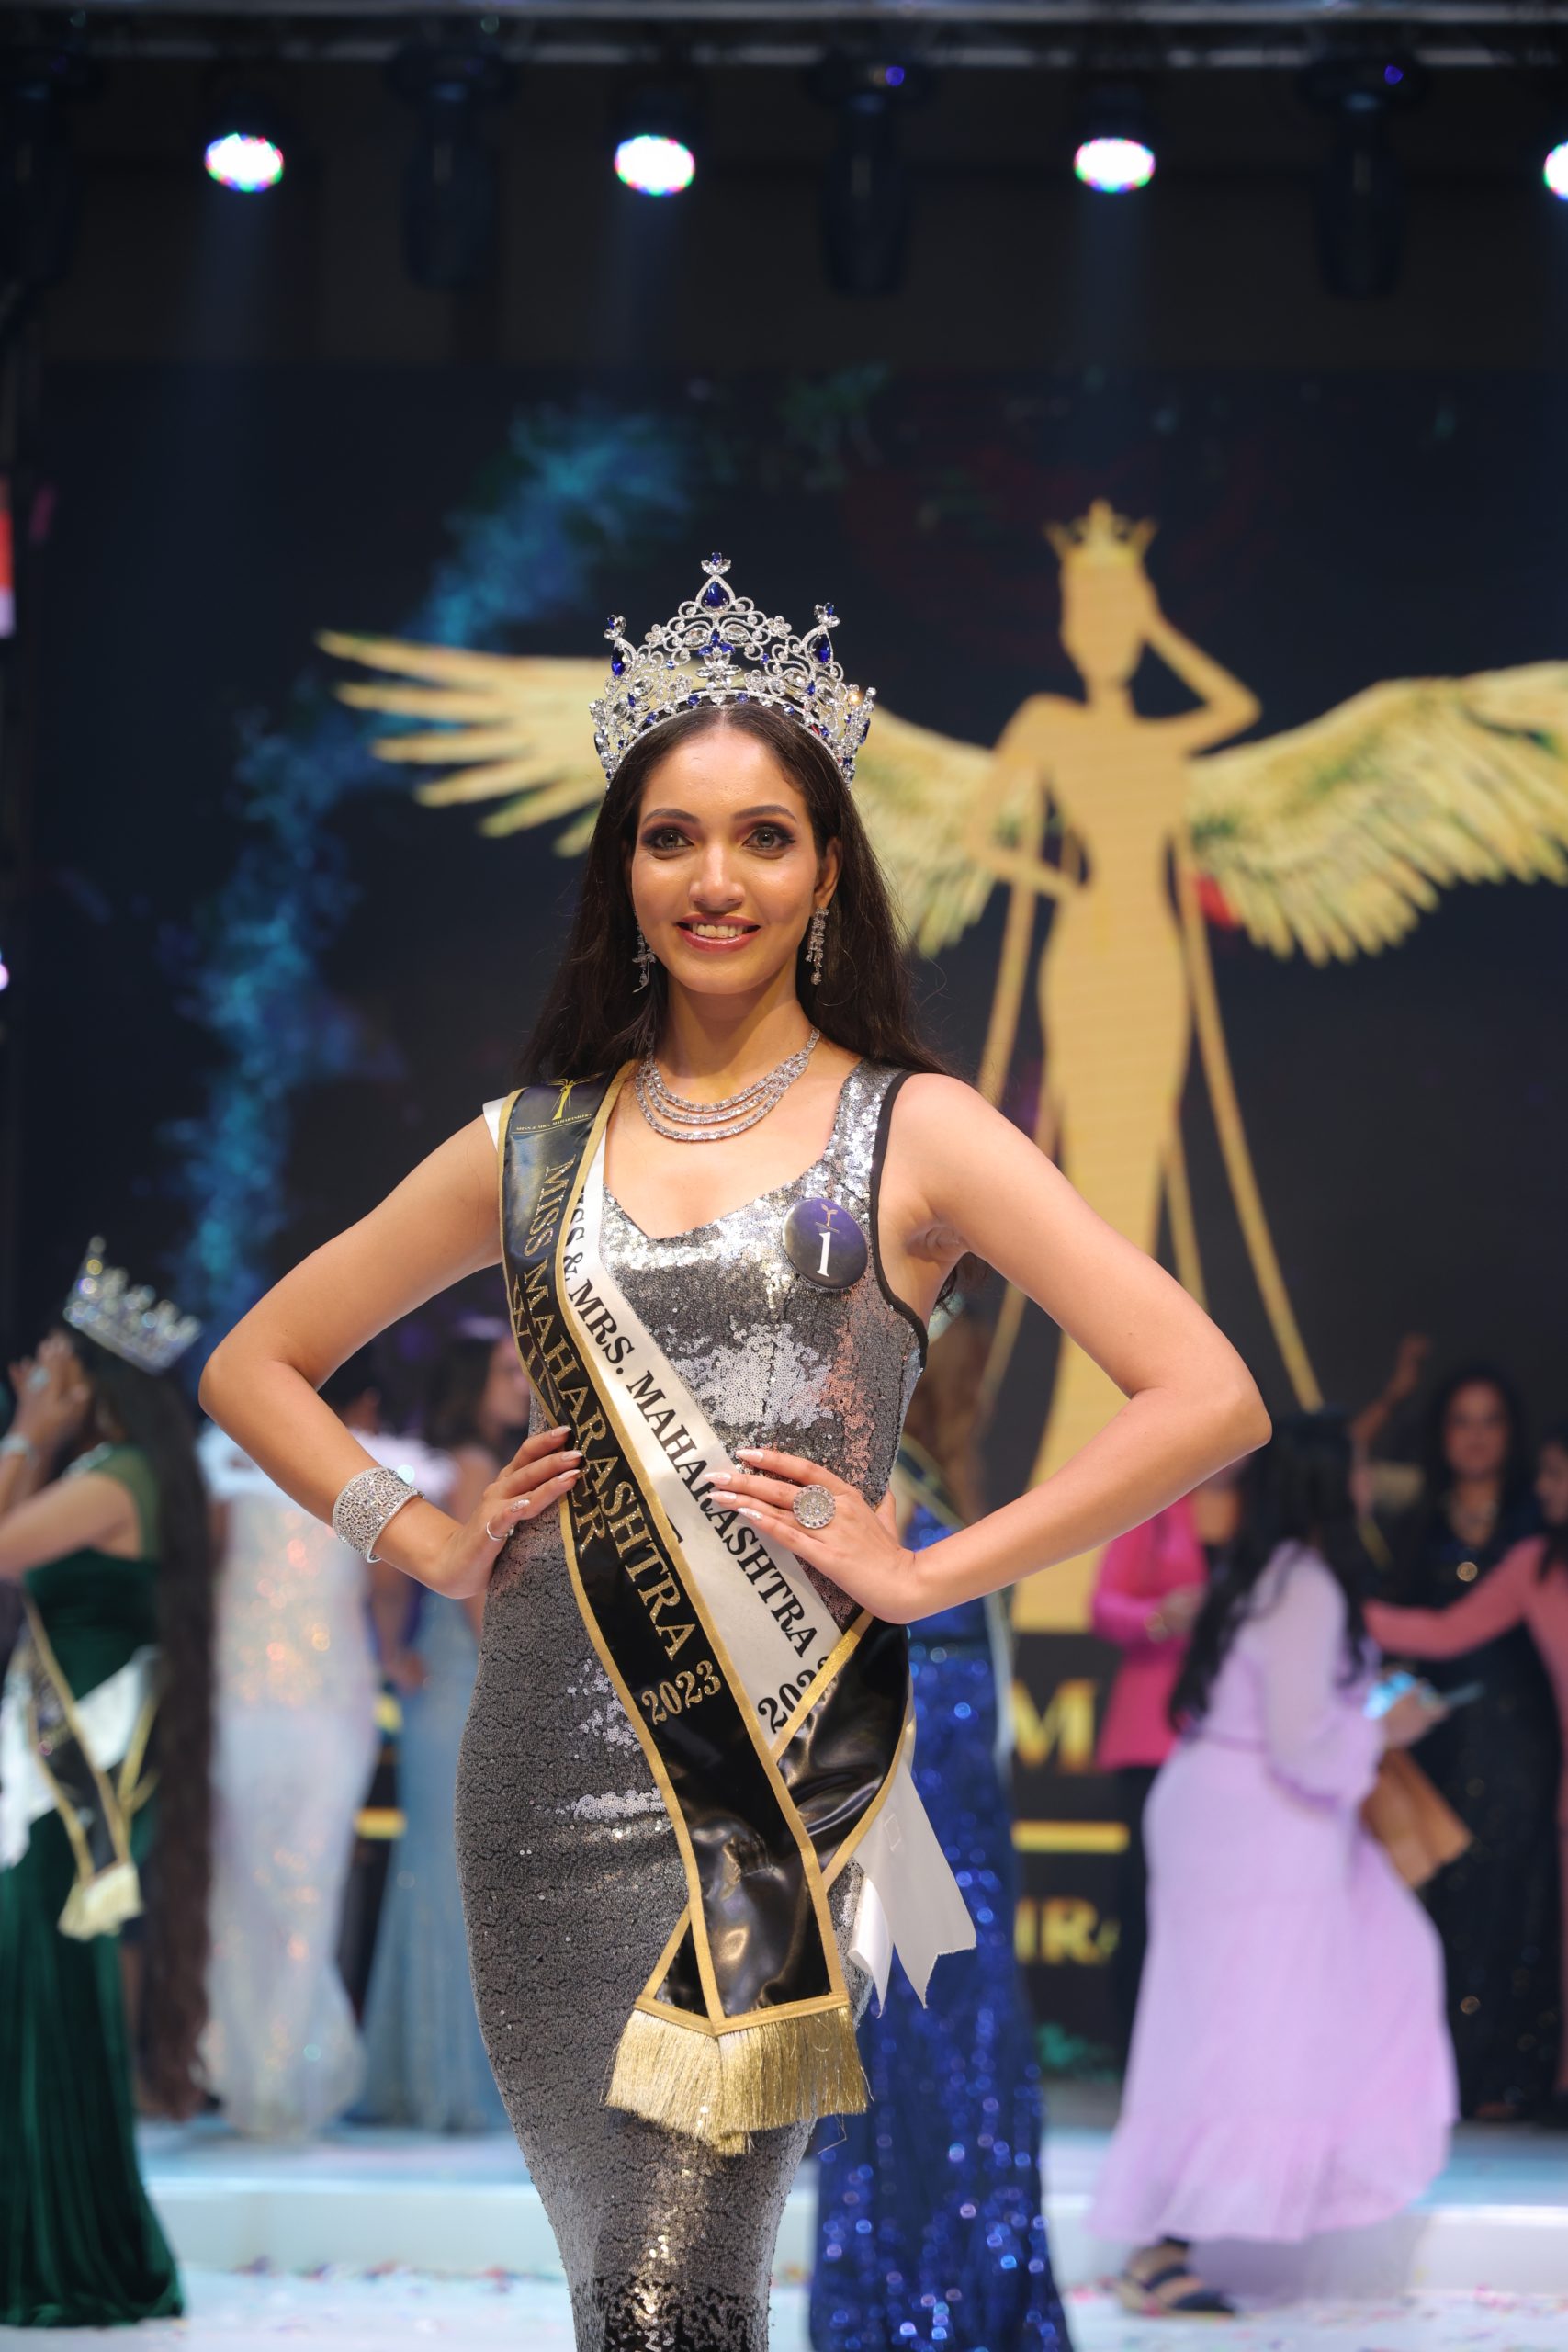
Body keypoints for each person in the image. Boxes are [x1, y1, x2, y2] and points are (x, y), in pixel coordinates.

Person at [199, 554, 1267, 2352]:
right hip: (538, 1774)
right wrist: (427, 1540)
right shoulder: (528, 1142)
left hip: (772, 1775)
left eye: (763, 837)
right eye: (672, 838)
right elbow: (255, 1363)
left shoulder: (915, 1127)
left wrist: (929, 1572)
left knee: (672, 2289)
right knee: (619, 2292)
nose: (716, 878)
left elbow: (1205, 1390)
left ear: (825, 868)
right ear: (622, 870)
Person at [1092, 1410, 1455, 2318]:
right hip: (1259, 1829)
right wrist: (1383, 1726)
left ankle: (1177, 2237)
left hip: (1235, 1818)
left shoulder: (1271, 1572)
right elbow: (1301, 1743)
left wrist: (1363, 1720)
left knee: (1227, 2022)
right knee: (1235, 2029)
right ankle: (1165, 2246)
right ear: (1329, 1479)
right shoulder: (1305, 1584)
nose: (1370, 1478)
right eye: (1360, 1463)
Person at [811, 1311, 1071, 2352]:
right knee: (923, 2047)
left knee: (965, 2053)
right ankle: (911, 2308)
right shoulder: (888, 1486)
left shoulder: (941, 1485)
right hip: (914, 1819)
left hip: (961, 1819)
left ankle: (958, 2302)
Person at [0, 1250, 212, 2326]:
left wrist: (27, 1435)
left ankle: (63, 2248)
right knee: (39, 1992)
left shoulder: (113, 1479)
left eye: (50, 1366)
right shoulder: (127, 1472)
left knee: (43, 1991)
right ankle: (56, 2236)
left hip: (73, 1774)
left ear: (87, 1378)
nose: (32, 1375)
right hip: (59, 1758)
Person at [198, 1346, 431, 2138]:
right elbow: (388, 1588)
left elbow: (208, 1569)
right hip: (307, 1694)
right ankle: (276, 2074)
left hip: (266, 1691)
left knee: (253, 1875)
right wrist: (394, 1654)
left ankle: (259, 2072)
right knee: (299, 1877)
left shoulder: (236, 1459)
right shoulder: (357, 1475)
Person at [1370, 1423, 1568, 2119]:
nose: (1541, 1488)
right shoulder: (1536, 1565)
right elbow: (1444, 1632)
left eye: (1555, 1474)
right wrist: (1336, 1604)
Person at [357, 1326, 524, 2132]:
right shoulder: (467, 1468)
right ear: (469, 1381)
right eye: (506, 1370)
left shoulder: (472, 1464)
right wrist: (519, 1684)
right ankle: (444, 2082)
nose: (523, 1383)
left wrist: (397, 1651)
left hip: (452, 1689)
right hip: (466, 1689)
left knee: (439, 1875)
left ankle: (422, 2075)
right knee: (453, 1879)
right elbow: (474, 1593)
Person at [1090, 1475, 1239, 2061]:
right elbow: (1104, 1606)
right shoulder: (1158, 1501)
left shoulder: (1267, 1506)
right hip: (1154, 1732)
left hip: (1239, 1733)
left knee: (1230, 1894)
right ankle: (1141, 2046)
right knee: (1147, 1890)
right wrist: (1159, 1617)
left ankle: (1221, 2044)